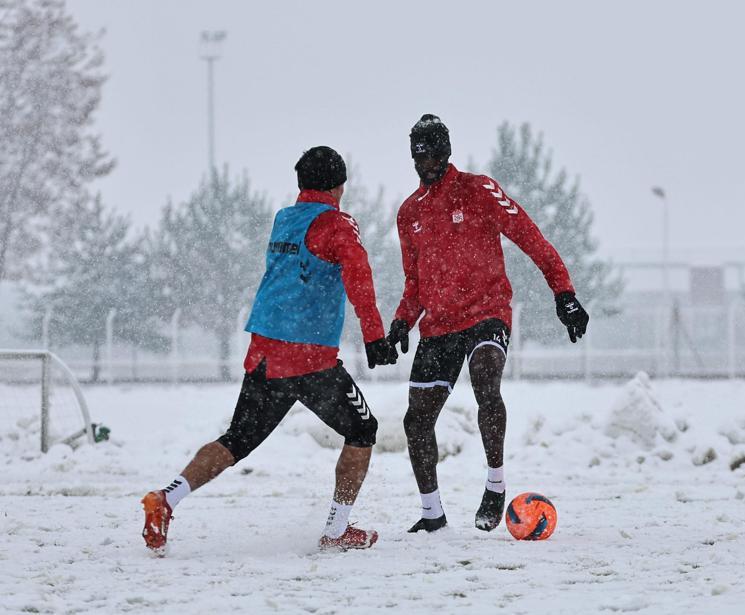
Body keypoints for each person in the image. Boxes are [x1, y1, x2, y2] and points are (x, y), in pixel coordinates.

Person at [142, 146, 397, 554]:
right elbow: (359, 277)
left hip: (263, 352)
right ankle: (336, 531)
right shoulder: (338, 223)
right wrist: (374, 336)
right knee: (363, 429)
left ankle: (166, 499)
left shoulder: (284, 220)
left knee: (235, 440)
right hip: (308, 357)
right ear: (340, 186)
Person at [388, 115, 589, 533]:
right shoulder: (409, 213)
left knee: (485, 378)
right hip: (439, 325)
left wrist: (563, 292)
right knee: (416, 420)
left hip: (486, 311)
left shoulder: (477, 189)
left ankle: (495, 485)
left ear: (447, 152)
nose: (425, 164)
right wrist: (400, 323)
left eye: (432, 155)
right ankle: (432, 516)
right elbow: (414, 283)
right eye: (417, 157)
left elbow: (530, 236)